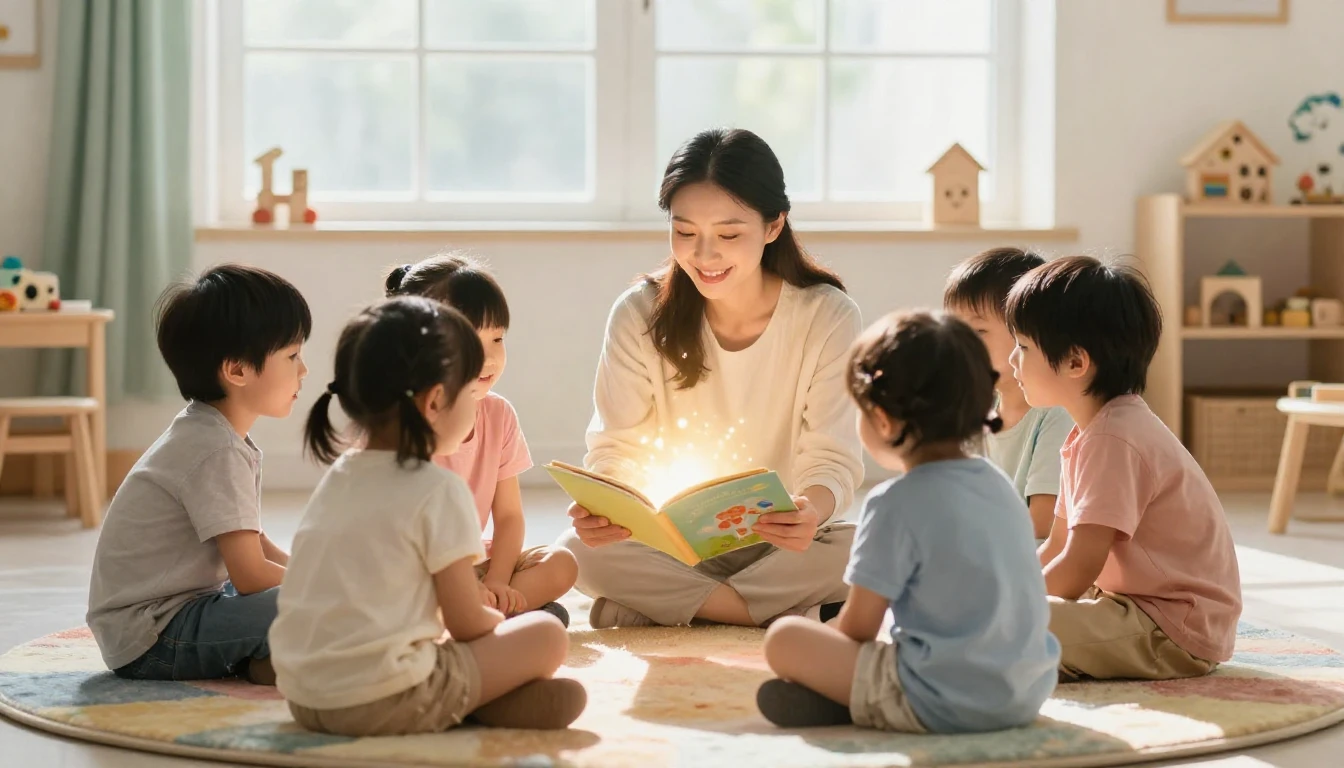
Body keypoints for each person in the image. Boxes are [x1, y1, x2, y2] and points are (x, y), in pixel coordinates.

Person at [558, 127, 864, 629]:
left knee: (866, 548)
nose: (704, 255)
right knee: (575, 550)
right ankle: (769, 612)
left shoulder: (827, 315)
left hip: (781, 544)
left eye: (727, 235)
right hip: (674, 545)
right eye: (684, 232)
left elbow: (832, 456)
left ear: (773, 226)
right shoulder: (639, 313)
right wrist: (607, 509)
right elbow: (617, 448)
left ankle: (668, 608)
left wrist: (811, 510)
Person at [270, 297, 585, 736]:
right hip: (384, 698)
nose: (478, 407)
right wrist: (502, 628)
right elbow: (466, 623)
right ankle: (470, 703)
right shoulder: (438, 489)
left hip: (305, 698)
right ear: (436, 401)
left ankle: (479, 702)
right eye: (471, 395)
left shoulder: (339, 477)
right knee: (547, 635)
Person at [757, 311, 1059, 733]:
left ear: (882, 419)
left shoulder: (894, 503)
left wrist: (828, 648)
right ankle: (856, 700)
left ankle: (862, 703)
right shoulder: (999, 485)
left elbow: (858, 629)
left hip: (941, 699)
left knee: (786, 637)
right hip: (1025, 693)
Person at [1008, 255, 1242, 680]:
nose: (1012, 361)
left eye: (1023, 347)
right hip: (1135, 606)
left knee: (1004, 626)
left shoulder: (1113, 438)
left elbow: (1078, 568)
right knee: (999, 616)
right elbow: (1057, 545)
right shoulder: (1087, 434)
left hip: (1170, 629)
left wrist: (1004, 606)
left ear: (1077, 363)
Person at [87, 264, 310, 683]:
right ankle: (279, 657)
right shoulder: (215, 449)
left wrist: (310, 572)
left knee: (306, 598)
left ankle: (270, 659)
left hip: (164, 618)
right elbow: (250, 576)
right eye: (292, 356)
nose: (304, 371)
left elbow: (254, 543)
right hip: (152, 640)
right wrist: (329, 588)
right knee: (308, 604)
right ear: (237, 370)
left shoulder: (211, 432)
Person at [386, 254, 577, 626]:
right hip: (418, 570)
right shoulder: (401, 422)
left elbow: (508, 517)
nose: (489, 358)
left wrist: (496, 580)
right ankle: (499, 616)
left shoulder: (499, 414)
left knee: (562, 564)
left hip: (474, 564)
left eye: (497, 339)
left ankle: (491, 612)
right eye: (470, 343)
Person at [943, 247, 1073, 540]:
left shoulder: (1056, 413)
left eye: (977, 332)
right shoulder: (978, 408)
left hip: (1032, 552)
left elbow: (1044, 524)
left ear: (1027, 333)